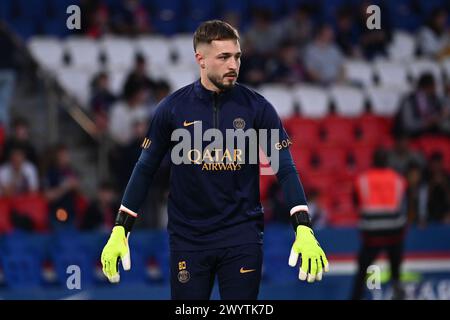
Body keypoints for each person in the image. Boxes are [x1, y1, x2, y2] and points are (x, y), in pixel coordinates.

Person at [101, 20, 329, 300]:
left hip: (242, 236)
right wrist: (120, 229)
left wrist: (303, 226)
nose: (233, 65)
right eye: (224, 57)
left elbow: (284, 168)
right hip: (188, 239)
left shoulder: (258, 108)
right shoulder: (172, 109)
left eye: (237, 56)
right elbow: (144, 169)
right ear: (201, 59)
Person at [351, 148, 408, 300]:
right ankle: (398, 294)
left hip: (372, 234)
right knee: (395, 270)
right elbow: (404, 204)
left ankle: (355, 297)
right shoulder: (398, 180)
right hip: (394, 233)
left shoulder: (362, 179)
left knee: (362, 270)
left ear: (373, 161)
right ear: (387, 161)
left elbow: (356, 202)